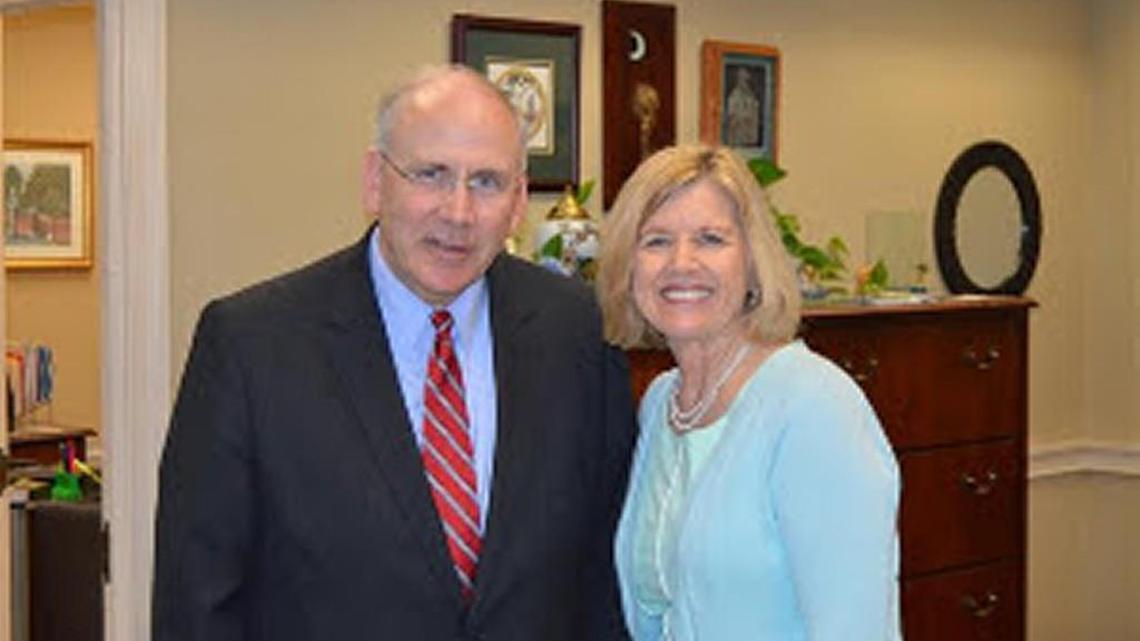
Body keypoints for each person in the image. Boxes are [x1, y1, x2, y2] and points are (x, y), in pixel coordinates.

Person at [153, 65, 637, 641]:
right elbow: (196, 602)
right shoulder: (252, 345)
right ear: (375, 182)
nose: (458, 212)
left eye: (486, 182)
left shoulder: (574, 329)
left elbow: (604, 573)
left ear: (518, 202)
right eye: (431, 174)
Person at [596, 145, 901, 641]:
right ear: (628, 267)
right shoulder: (662, 404)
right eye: (655, 241)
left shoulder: (815, 406)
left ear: (753, 262)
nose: (682, 262)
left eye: (710, 239)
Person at [724, 67, 761, 147]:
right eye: (743, 79)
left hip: (749, 132)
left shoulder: (750, 94)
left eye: (746, 80)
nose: (745, 82)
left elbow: (754, 108)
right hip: (738, 133)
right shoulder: (735, 94)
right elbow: (732, 114)